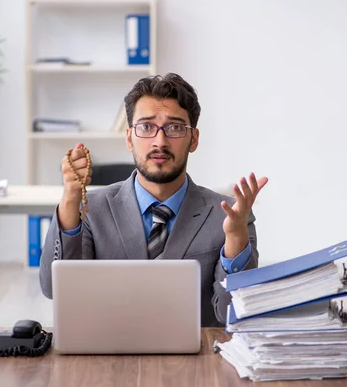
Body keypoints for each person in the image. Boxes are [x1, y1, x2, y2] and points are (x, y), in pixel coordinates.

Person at [38, 73, 267, 327]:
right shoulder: (92, 209)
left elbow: (232, 317)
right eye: (146, 127)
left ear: (194, 139)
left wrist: (235, 240)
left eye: (175, 128)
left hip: (197, 362)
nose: (160, 141)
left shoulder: (229, 215)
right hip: (109, 356)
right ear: (129, 138)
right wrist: (70, 200)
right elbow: (54, 290)